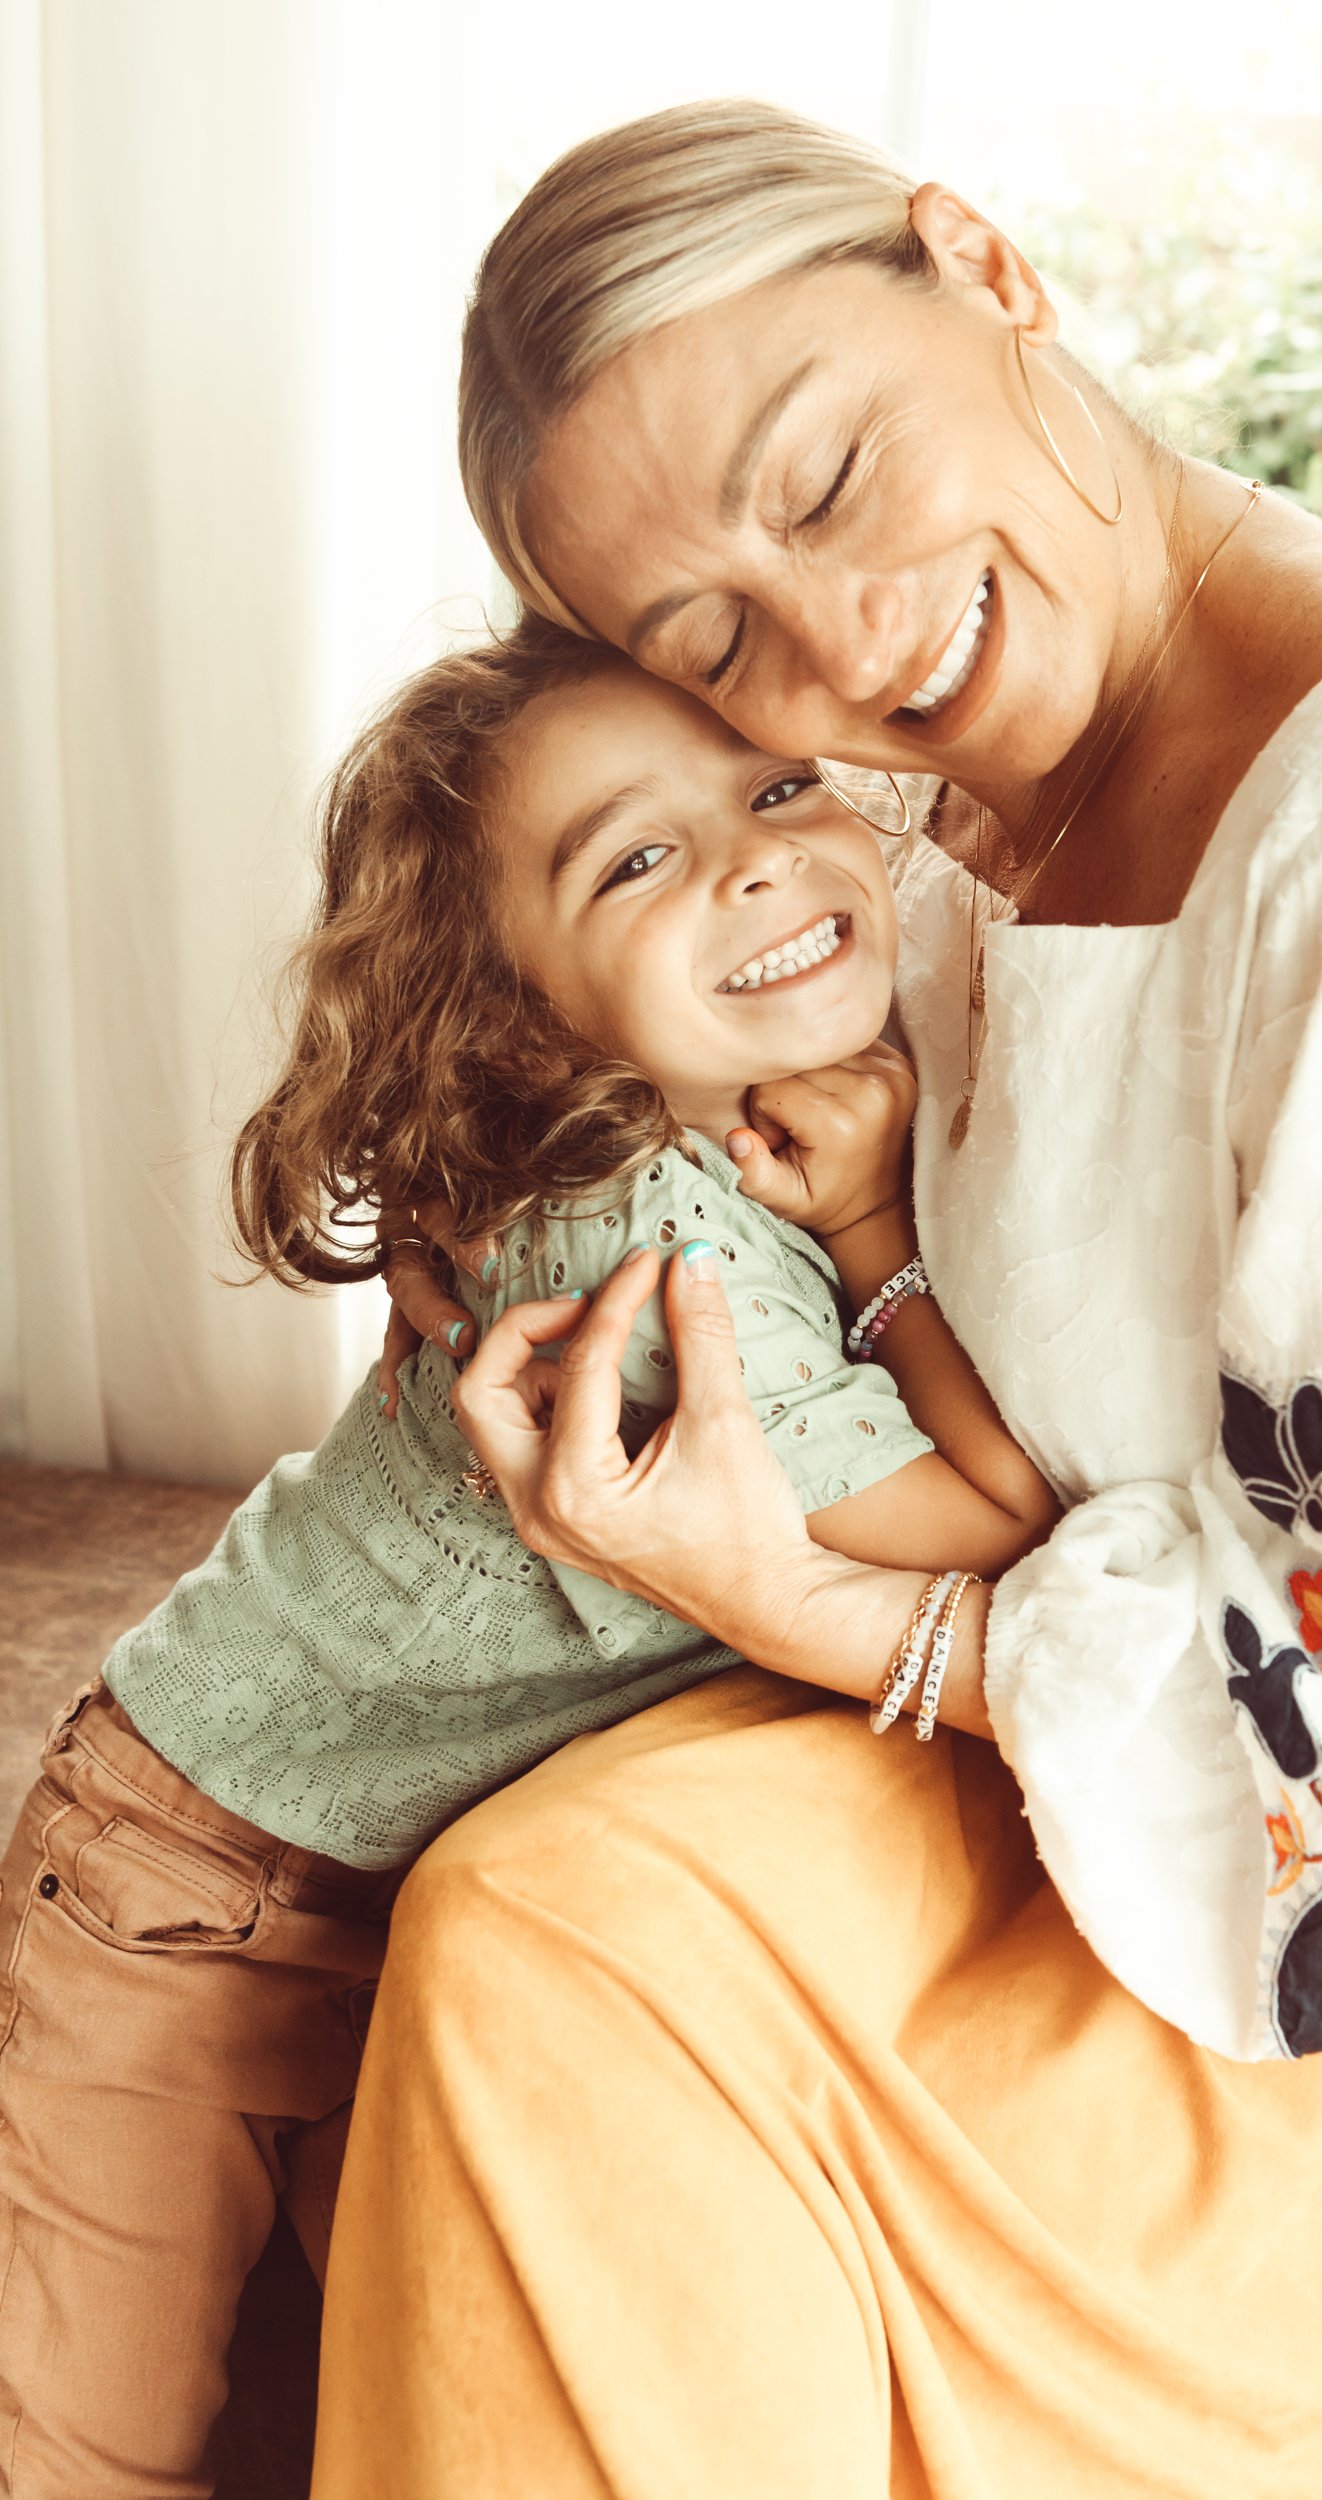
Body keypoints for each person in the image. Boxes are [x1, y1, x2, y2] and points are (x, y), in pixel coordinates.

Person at [313, 97, 1322, 2498]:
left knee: (557, 1951)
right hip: (1053, 1762)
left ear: (982, 261)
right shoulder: (920, 812)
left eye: (824, 479)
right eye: (711, 640)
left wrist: (817, 1605)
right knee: (431, 1855)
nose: (832, 652)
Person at [0, 619, 1055, 2498]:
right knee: (92, 2443)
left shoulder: (733, 1118)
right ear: (513, 1014)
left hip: (399, 1885)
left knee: (337, 2413)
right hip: (189, 1881)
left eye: (777, 787)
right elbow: (1000, 1539)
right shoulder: (644, 1252)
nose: (752, 857)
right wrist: (885, 1222)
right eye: (634, 859)